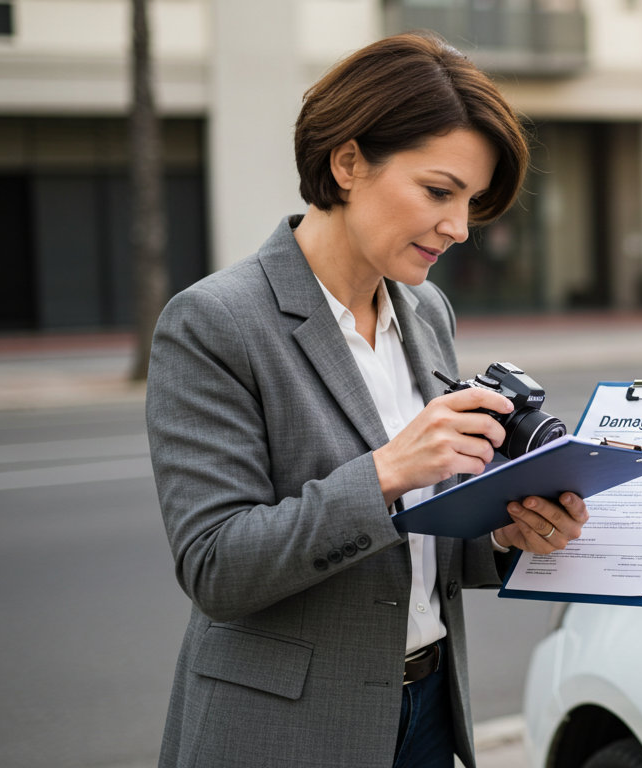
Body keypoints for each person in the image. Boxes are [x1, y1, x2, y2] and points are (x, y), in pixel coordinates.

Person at [146, 32, 588, 768]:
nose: (459, 227)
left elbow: (417, 550)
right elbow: (216, 566)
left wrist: (507, 535)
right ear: (348, 162)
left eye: (472, 203)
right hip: (285, 731)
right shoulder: (214, 321)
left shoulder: (427, 313)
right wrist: (388, 470)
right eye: (439, 191)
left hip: (429, 710)